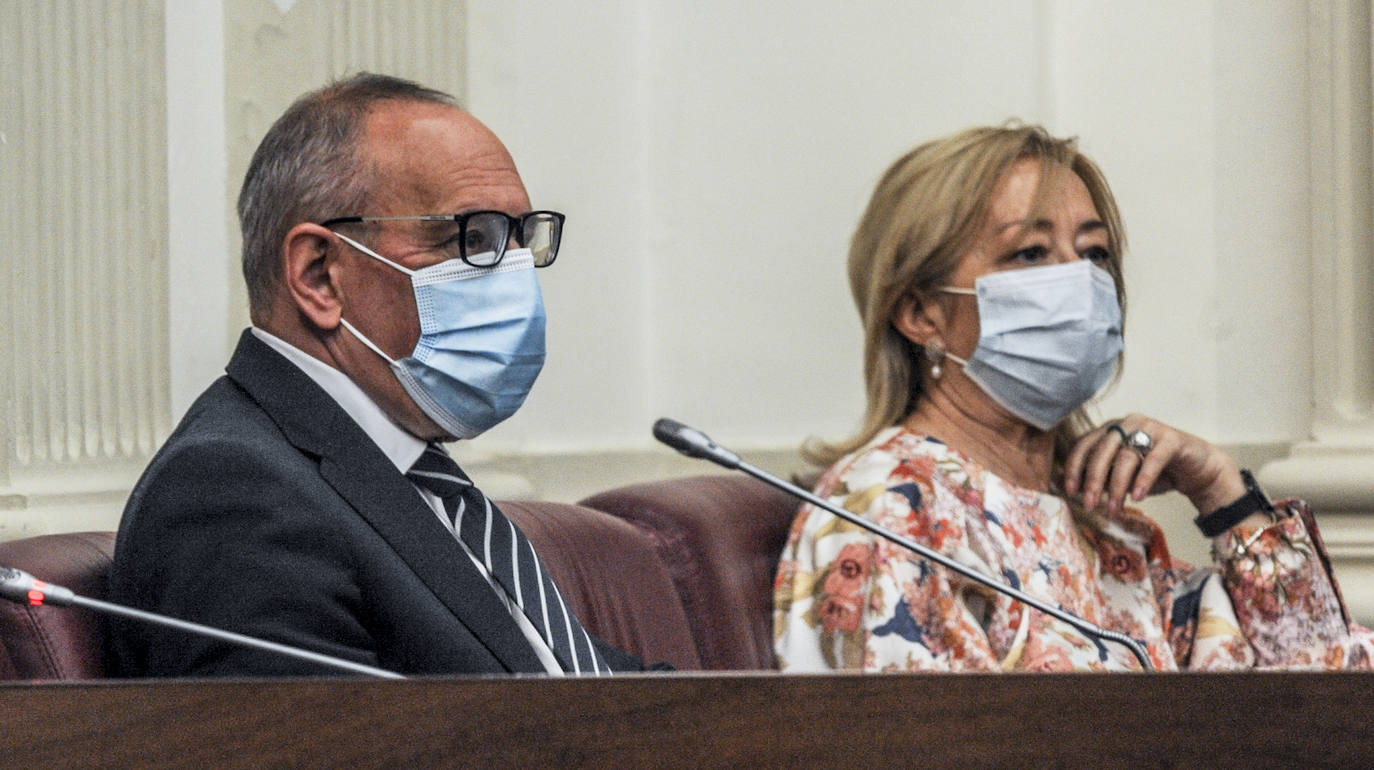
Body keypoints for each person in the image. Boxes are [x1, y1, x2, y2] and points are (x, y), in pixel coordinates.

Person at [773, 123, 1374, 672]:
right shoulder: (887, 510)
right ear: (920, 312)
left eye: (1095, 254)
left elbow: (1327, 689)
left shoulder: (1107, 528)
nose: (1080, 282)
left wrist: (1221, 492)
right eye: (1031, 253)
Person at [108, 73, 648, 676]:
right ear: (318, 275)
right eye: (472, 237)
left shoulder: (411, 472)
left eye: (520, 239)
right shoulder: (234, 491)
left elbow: (597, 696)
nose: (514, 275)